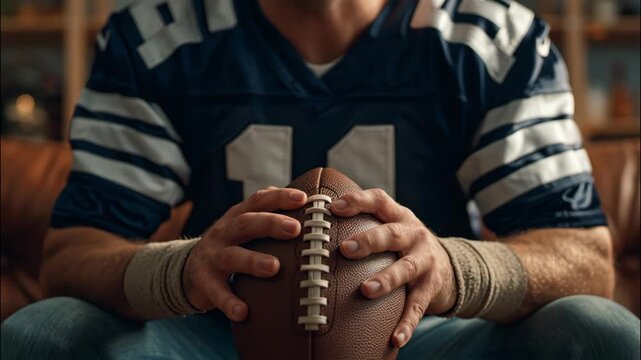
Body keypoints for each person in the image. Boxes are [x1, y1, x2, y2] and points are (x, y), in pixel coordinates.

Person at [2, 0, 639, 358]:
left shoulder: (490, 38)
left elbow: (583, 255)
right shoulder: (156, 35)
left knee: (601, 331)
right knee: (43, 334)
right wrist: (181, 269)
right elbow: (72, 253)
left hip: (424, 336)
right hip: (223, 333)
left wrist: (450, 270)